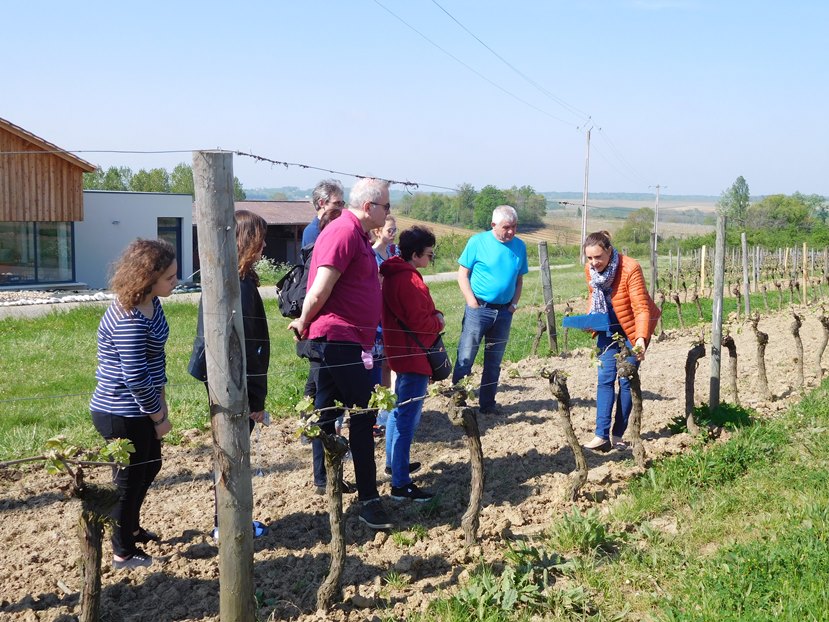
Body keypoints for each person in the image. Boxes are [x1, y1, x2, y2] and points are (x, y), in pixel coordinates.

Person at [288, 177, 394, 530]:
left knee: (326, 412)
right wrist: (303, 320)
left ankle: (329, 481)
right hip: (338, 340)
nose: (389, 212)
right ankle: (369, 499)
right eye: (386, 206)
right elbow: (321, 286)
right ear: (368, 207)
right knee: (363, 414)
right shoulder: (343, 232)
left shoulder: (358, 235)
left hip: (345, 340)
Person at [89, 239, 178, 570]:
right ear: (147, 278)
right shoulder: (128, 316)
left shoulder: (153, 303)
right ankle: (122, 551)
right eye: (169, 277)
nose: (175, 282)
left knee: (150, 466)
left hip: (142, 408)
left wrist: (162, 405)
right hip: (120, 411)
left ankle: (130, 527)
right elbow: (136, 377)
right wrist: (159, 418)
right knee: (127, 482)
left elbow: (156, 362)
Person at [188, 210, 271, 540]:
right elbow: (247, 348)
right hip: (236, 387)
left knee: (230, 452)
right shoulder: (237, 286)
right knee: (232, 454)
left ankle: (226, 521)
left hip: (227, 382)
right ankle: (227, 523)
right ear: (246, 241)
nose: (264, 246)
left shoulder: (228, 278)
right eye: (260, 239)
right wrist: (255, 396)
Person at [380, 226, 443, 502]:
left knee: (397, 412)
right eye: (429, 254)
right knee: (407, 419)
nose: (430, 259)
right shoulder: (409, 280)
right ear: (415, 254)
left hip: (400, 351)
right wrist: (438, 320)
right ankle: (401, 484)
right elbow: (421, 323)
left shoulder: (391, 274)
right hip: (414, 356)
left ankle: (395, 465)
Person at [581, 230, 660, 452]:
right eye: (589, 258)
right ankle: (601, 435)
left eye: (598, 257)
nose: (594, 263)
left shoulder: (630, 268)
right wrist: (590, 319)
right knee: (605, 378)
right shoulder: (590, 271)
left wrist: (641, 339)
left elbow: (641, 307)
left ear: (609, 251)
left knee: (626, 379)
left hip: (633, 327)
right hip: (608, 327)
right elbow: (593, 297)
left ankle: (618, 435)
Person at [452, 205, 528, 414]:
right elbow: (462, 274)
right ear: (493, 225)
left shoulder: (520, 247)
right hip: (480, 308)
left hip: (504, 312)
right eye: (506, 227)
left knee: (494, 362)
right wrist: (471, 303)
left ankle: (487, 404)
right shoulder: (477, 242)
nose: (511, 232)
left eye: (514, 227)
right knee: (466, 357)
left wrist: (513, 305)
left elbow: (519, 279)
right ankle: (458, 402)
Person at [302, 179, 345, 247]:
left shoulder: (338, 227)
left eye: (342, 203)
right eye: (337, 203)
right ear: (321, 203)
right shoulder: (312, 231)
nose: (341, 208)